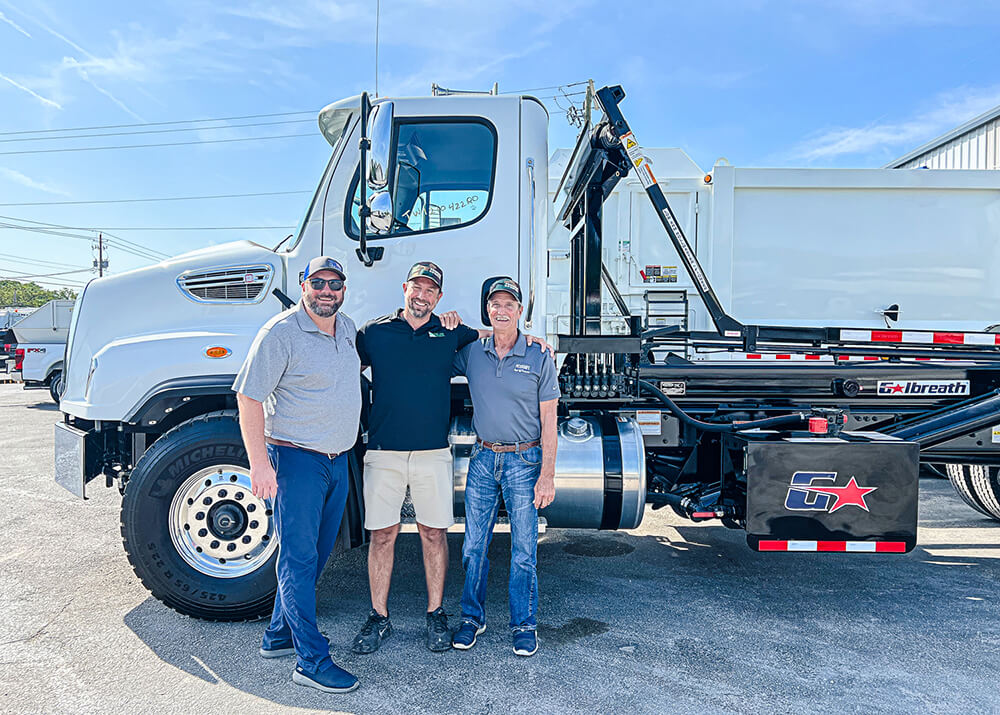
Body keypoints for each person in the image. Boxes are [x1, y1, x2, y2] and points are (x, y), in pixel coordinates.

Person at [352, 262, 553, 654]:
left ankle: (447, 615)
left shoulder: (452, 334)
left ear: (439, 297)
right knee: (388, 536)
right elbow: (343, 370)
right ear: (405, 288)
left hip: (450, 455)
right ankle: (384, 617)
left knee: (440, 534)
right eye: (417, 287)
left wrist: (532, 340)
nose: (422, 295)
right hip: (387, 452)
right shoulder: (375, 333)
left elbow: (493, 339)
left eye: (431, 290)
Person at [232, 256, 360, 695]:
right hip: (297, 462)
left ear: (344, 289)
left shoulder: (347, 328)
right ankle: (311, 660)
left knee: (318, 556)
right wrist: (259, 465)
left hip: (336, 459)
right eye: (318, 283)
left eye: (335, 284)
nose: (327, 291)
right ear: (303, 284)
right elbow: (248, 399)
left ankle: (278, 636)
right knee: (298, 560)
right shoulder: (280, 333)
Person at [450, 277, 559, 657]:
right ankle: (470, 618)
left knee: (524, 549)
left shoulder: (539, 356)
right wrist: (468, 327)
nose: (501, 309)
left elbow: (550, 421)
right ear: (487, 310)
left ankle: (524, 625)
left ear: (520, 310)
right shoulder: (472, 353)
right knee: (473, 546)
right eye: (494, 304)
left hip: (524, 461)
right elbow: (436, 350)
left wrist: (546, 475)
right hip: (483, 459)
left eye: (508, 304)